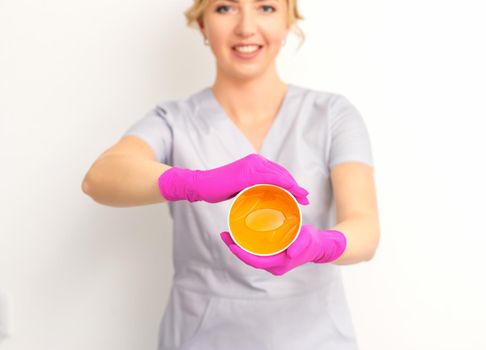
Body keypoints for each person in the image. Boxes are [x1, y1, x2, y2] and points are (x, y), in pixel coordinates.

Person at [81, 0, 380, 349]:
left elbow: (365, 227)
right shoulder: (173, 121)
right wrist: (193, 183)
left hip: (314, 337)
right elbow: (99, 178)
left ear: (288, 22)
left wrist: (319, 245)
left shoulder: (331, 115)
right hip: (201, 338)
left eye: (266, 8)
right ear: (203, 25)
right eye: (225, 8)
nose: (246, 27)